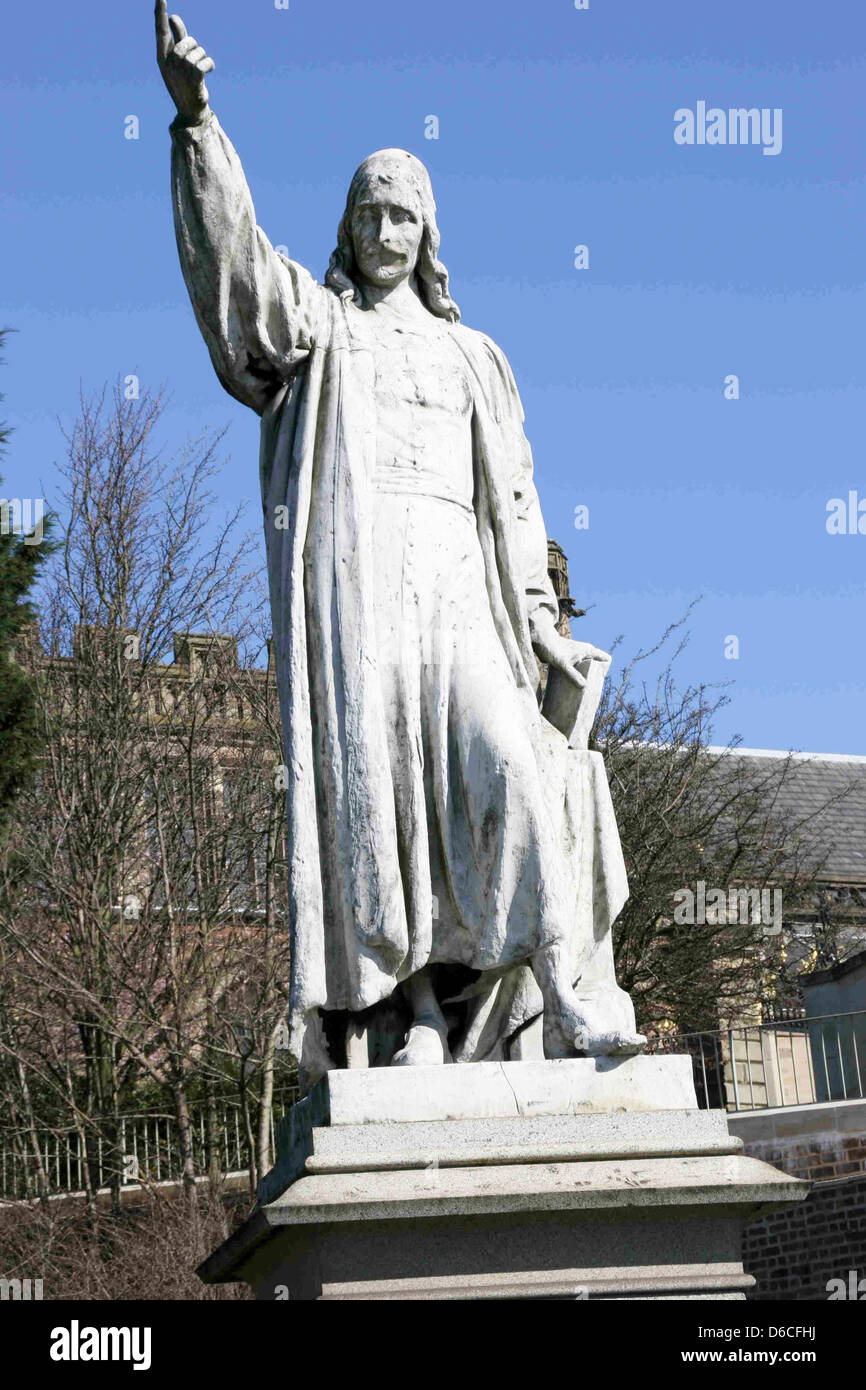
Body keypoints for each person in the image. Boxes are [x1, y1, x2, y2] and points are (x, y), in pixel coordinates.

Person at [156, 2, 645, 1086]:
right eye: (369, 215)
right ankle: (418, 1009)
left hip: (459, 597)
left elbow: (514, 502)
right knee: (377, 805)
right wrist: (197, 124)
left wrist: (541, 625)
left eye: (404, 218)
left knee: (511, 769)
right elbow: (240, 282)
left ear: (430, 234)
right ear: (347, 226)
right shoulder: (322, 334)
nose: (385, 235)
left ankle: (569, 977)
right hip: (362, 598)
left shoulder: (476, 356)